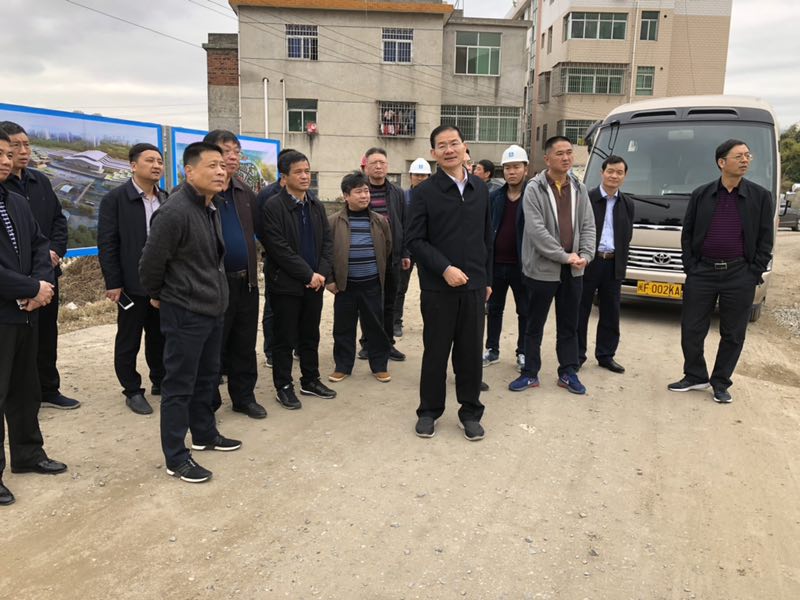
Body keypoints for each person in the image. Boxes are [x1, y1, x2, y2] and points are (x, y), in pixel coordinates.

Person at [139, 142, 242, 484]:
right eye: (212, 166)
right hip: (185, 311)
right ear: (189, 171)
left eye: (222, 166)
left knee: (206, 378)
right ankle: (176, 457)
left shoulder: (210, 206)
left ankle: (204, 434)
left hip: (212, 308)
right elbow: (150, 265)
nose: (221, 171)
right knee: (179, 385)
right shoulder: (174, 212)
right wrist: (160, 295)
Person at [668, 139, 773, 404]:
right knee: (691, 327)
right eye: (739, 156)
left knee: (733, 333)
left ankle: (721, 382)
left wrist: (753, 272)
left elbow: (765, 239)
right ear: (721, 162)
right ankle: (695, 375)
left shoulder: (760, 196)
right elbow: (688, 233)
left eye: (748, 155)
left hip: (739, 274)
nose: (745, 160)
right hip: (702, 272)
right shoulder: (701, 194)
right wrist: (691, 266)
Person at [406, 125, 492, 442]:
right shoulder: (424, 193)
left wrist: (487, 279)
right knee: (436, 352)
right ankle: (429, 411)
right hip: (438, 289)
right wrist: (444, 268)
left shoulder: (480, 189)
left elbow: (487, 237)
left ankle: (470, 412)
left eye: (454, 143)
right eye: (441, 145)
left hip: (474, 287)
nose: (449, 150)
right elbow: (414, 240)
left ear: (464, 147)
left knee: (470, 353)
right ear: (433, 153)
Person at [0, 129, 67, 506]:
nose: (6, 160)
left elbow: (41, 244)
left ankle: (28, 454)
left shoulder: (14, 201)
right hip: (4, 311)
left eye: (8, 154)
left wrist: (41, 284)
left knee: (25, 389)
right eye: (0, 154)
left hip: (26, 312)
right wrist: (28, 287)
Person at [0, 121, 79, 410]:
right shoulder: (5, 191)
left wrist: (53, 252)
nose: (22, 152)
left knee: (46, 335)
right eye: (14, 147)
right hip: (12, 287)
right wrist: (28, 285)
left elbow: (58, 221)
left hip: (45, 277)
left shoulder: (40, 181)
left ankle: (47, 389)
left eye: (26, 145)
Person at [510, 136, 595, 395]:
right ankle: (530, 373)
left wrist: (586, 254)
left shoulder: (579, 188)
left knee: (569, 324)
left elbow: (588, 225)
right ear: (547, 159)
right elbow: (536, 231)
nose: (566, 157)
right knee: (533, 324)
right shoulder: (534, 189)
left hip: (573, 270)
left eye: (569, 152)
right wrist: (564, 256)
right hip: (542, 271)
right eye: (560, 153)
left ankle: (568, 371)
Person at [262, 150, 336, 410]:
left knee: (310, 334)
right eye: (298, 172)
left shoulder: (315, 204)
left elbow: (327, 243)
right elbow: (278, 248)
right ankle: (284, 385)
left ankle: (310, 380)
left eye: (307, 171)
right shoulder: (273, 206)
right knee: (284, 338)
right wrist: (308, 274)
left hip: (314, 284)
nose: (305, 176)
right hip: (286, 285)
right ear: (284, 177)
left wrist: (321, 273)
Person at [97, 143, 167, 415]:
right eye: (150, 160)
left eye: (159, 161)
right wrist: (113, 282)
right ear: (133, 165)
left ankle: (160, 380)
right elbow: (107, 243)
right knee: (129, 339)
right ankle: (132, 390)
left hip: (160, 284)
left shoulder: (166, 198)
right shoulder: (115, 199)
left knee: (160, 336)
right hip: (130, 283)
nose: (156, 165)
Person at [203, 130, 266, 420]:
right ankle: (208, 404)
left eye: (236, 151)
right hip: (213, 286)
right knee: (213, 347)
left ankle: (244, 397)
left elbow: (261, 232)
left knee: (244, 343)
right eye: (225, 150)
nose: (232, 157)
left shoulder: (244, 192)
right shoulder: (195, 194)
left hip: (246, 281)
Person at [327, 172, 393, 383]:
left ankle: (379, 366)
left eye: (366, 191)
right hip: (345, 286)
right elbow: (326, 253)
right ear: (346, 195)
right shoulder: (333, 222)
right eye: (358, 192)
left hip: (372, 284)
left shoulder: (380, 221)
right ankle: (343, 366)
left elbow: (387, 248)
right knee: (343, 328)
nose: (364, 196)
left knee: (375, 327)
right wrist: (330, 279)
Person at [577, 155, 634, 374]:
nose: (614, 176)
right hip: (589, 262)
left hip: (613, 264)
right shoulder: (587, 198)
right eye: (610, 171)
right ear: (602, 173)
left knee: (611, 312)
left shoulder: (627, 203)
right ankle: (577, 355)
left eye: (619, 172)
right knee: (580, 310)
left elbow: (626, 236)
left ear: (625, 176)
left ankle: (606, 355)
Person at [358, 147, 408, 362]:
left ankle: (388, 343)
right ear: (366, 167)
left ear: (387, 166)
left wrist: (405, 253)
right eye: (374, 163)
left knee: (389, 302)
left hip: (392, 256)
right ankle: (368, 343)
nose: (378, 167)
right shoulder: (359, 190)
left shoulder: (397, 192)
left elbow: (404, 223)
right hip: (366, 256)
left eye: (382, 163)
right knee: (368, 302)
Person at [483, 145, 529, 373]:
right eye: (508, 167)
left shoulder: (533, 197)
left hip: (522, 266)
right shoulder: (495, 197)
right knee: (494, 309)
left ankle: (523, 351)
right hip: (497, 264)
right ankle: (492, 349)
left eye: (516, 167)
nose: (512, 172)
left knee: (525, 310)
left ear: (525, 169)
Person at [255, 147, 296, 369]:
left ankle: (296, 346)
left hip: (300, 262)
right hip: (275, 261)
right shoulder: (267, 195)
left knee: (298, 306)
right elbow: (260, 228)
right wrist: (275, 250)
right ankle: (271, 351)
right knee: (273, 307)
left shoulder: (304, 194)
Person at [393, 157, 430, 338]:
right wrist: (403, 251)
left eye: (424, 175)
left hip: (427, 248)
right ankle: (395, 321)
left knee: (429, 288)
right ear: (410, 176)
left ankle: (431, 321)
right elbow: (399, 224)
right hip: (408, 248)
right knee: (401, 287)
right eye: (417, 175)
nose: (420, 178)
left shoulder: (435, 198)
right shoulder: (403, 197)